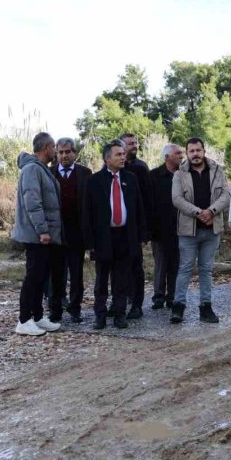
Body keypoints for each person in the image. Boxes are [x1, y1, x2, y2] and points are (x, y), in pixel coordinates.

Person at [83, 140, 147, 329]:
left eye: (123, 154)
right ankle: (100, 316)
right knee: (102, 279)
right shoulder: (94, 181)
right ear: (107, 158)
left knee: (122, 279)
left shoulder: (131, 178)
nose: (123, 157)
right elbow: (87, 213)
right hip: (103, 237)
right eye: (118, 154)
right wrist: (89, 241)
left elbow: (138, 208)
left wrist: (142, 235)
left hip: (126, 237)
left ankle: (120, 315)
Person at [170, 137, 230, 324]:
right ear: (187, 153)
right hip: (189, 230)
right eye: (191, 151)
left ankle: (206, 308)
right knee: (185, 269)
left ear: (204, 151)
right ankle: (178, 307)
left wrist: (211, 211)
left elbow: (226, 195)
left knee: (206, 270)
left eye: (198, 150)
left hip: (212, 230)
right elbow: (177, 199)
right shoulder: (179, 174)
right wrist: (198, 212)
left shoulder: (217, 170)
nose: (195, 154)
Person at [12, 132, 64, 336]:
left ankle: (37, 317)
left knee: (41, 276)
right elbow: (33, 203)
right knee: (33, 277)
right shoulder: (32, 169)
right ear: (46, 148)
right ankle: (24, 320)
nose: (56, 152)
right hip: (36, 235)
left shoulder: (41, 169)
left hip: (43, 234)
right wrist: (42, 231)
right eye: (54, 148)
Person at [49, 138, 92, 322]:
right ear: (56, 154)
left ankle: (75, 309)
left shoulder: (85, 173)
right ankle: (55, 310)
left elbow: (90, 205)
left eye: (68, 152)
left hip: (77, 233)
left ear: (74, 153)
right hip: (56, 233)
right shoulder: (49, 173)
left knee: (76, 275)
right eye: (61, 152)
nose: (64, 155)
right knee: (56, 274)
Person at [119, 133, 153, 320]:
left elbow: (147, 200)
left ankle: (137, 304)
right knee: (118, 268)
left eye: (135, 143)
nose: (134, 146)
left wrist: (145, 230)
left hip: (135, 227)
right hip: (116, 227)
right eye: (130, 143)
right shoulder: (112, 168)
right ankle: (120, 301)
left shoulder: (140, 168)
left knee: (135, 267)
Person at [150, 144, 184, 310]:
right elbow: (149, 203)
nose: (181, 156)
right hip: (159, 229)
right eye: (177, 153)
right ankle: (158, 296)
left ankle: (172, 296)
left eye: (181, 153)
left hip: (180, 228)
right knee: (161, 264)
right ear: (167, 157)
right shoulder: (154, 175)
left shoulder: (185, 175)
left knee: (175, 264)